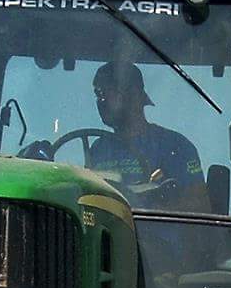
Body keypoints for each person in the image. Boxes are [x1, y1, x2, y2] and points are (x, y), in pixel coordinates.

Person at [85, 59, 204, 207]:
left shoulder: (177, 147)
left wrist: (163, 198)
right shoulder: (98, 149)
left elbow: (200, 208)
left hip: (151, 228)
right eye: (97, 94)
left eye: (105, 93)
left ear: (134, 95)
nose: (100, 101)